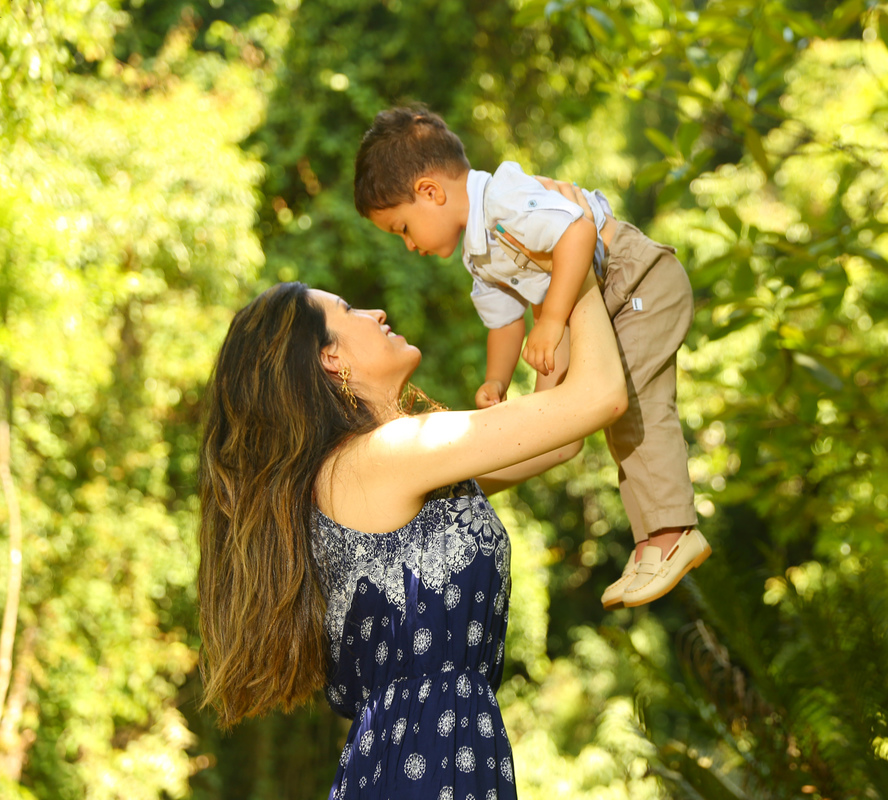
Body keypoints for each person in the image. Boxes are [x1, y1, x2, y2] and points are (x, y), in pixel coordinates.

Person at [196, 184, 627, 798]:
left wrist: (551, 288)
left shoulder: (379, 465)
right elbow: (600, 397)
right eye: (349, 310)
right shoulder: (385, 456)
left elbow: (559, 440)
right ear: (330, 360)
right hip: (426, 760)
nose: (375, 312)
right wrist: (571, 245)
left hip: (425, 755)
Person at [353, 104, 711, 609]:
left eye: (403, 229)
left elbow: (577, 232)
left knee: (634, 403)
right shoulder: (478, 254)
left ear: (430, 192)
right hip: (599, 302)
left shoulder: (502, 199)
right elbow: (504, 322)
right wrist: (496, 380)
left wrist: (552, 320)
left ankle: (671, 532)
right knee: (581, 421)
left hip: (636, 278)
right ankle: (651, 538)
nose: (409, 245)